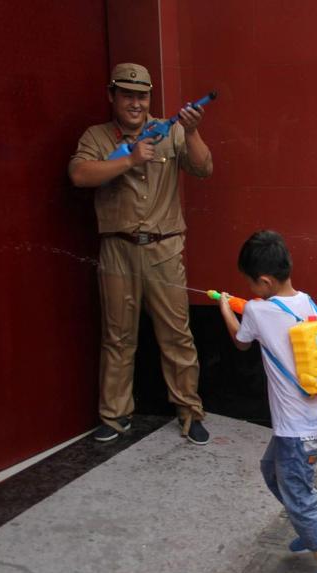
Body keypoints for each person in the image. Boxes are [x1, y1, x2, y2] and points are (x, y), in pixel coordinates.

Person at [69, 63, 212, 445]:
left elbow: (204, 167)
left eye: (142, 95)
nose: (136, 103)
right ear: (112, 96)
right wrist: (129, 160)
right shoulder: (97, 137)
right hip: (118, 249)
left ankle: (189, 412)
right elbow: (80, 175)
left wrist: (193, 130)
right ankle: (115, 417)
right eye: (127, 94)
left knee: (177, 335)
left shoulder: (172, 130)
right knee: (117, 337)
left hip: (164, 248)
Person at [217, 231, 317, 573]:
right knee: (270, 470)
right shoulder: (307, 302)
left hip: (296, 428)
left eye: (250, 283)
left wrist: (228, 309)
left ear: (263, 282)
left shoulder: (258, 311)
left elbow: (242, 341)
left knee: (299, 497)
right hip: (312, 416)